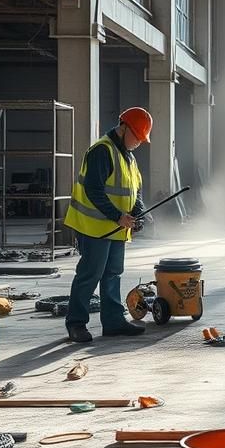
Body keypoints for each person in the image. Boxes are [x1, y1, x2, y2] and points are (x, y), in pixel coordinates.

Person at [62, 107, 152, 343]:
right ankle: (76, 324)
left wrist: (139, 213)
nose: (139, 143)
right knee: (90, 274)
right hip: (94, 227)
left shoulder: (128, 157)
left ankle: (113, 322)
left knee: (113, 274)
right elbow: (93, 190)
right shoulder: (102, 151)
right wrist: (118, 215)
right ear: (124, 128)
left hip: (116, 229)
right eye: (137, 137)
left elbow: (135, 191)